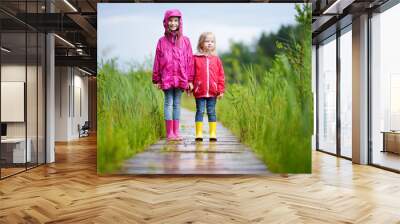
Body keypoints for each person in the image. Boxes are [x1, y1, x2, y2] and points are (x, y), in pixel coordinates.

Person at [152, 9, 194, 141]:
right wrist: (157, 78)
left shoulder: (186, 41)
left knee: (177, 103)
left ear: (180, 22)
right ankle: (169, 132)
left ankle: (176, 132)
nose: (173, 23)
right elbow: (157, 60)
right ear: (166, 22)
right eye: (170, 20)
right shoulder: (161, 41)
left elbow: (190, 61)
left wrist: (190, 79)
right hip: (167, 77)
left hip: (181, 77)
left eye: (176, 20)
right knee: (168, 103)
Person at [191, 32, 225, 141]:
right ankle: (199, 133)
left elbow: (221, 75)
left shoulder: (216, 59)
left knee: (211, 111)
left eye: (212, 41)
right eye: (207, 41)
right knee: (200, 111)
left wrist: (220, 90)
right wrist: (190, 83)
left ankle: (212, 133)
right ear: (201, 43)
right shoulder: (195, 58)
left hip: (213, 91)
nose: (210, 43)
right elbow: (191, 72)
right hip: (199, 90)